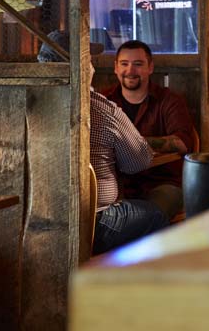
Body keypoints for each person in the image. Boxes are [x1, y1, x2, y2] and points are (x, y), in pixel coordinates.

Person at [37, 32, 168, 254]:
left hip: (35, 220)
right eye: (88, 60)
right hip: (92, 223)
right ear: (80, 66)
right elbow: (138, 162)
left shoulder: (27, 103)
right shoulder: (100, 109)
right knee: (157, 216)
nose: (93, 67)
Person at [103, 40, 198, 219]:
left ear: (150, 67)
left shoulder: (169, 101)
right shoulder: (104, 101)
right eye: (124, 64)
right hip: (116, 186)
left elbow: (183, 143)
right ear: (116, 67)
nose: (130, 71)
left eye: (138, 64)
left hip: (161, 183)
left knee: (146, 217)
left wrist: (132, 142)